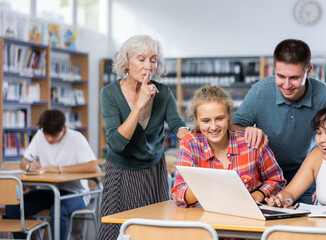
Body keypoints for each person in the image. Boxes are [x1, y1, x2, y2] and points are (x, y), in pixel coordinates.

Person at [99, 35, 189, 239]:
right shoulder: (110, 94)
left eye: (153, 59)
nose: (148, 65)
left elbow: (176, 124)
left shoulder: (163, 92)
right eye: (141, 59)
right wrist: (139, 104)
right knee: (117, 233)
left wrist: (186, 135)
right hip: (121, 173)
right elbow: (116, 143)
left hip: (153, 173)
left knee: (155, 232)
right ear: (126, 62)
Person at [232, 39, 326, 204]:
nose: (287, 85)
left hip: (305, 177)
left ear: (308, 71)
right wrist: (247, 130)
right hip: (264, 177)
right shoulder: (260, 91)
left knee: (302, 226)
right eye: (280, 76)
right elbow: (233, 128)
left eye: (294, 78)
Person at [171, 86, 286, 207]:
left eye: (219, 118)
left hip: (248, 218)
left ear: (228, 115)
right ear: (196, 119)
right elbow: (178, 194)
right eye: (206, 121)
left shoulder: (252, 144)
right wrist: (211, 183)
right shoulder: (190, 144)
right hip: (206, 220)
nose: (214, 127)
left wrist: (258, 195)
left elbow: (276, 179)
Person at [5, 109, 98, 240]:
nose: (49, 139)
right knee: (14, 207)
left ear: (64, 128)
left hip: (76, 192)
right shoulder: (39, 135)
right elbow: (23, 162)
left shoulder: (76, 138)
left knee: (58, 210)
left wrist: (59, 168)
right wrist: (28, 166)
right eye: (46, 134)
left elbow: (93, 167)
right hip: (48, 190)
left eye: (54, 135)